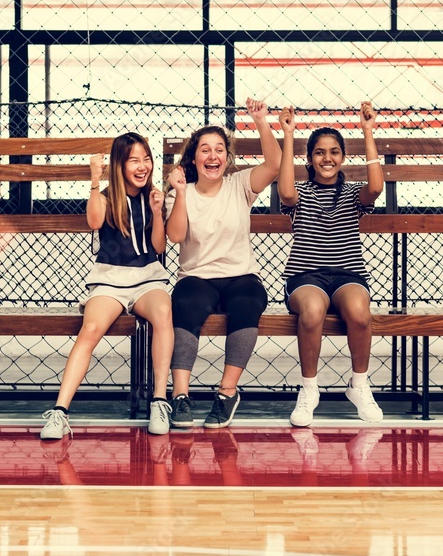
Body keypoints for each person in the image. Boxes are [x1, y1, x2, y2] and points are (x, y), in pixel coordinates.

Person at [40, 132, 173, 440]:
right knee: (90, 329)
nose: (143, 167)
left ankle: (159, 401)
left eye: (146, 159)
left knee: (164, 314)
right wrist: (94, 179)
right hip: (110, 279)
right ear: (119, 165)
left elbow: (159, 246)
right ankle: (59, 412)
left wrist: (157, 212)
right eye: (134, 161)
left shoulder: (152, 196)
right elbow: (94, 222)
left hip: (147, 277)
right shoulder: (104, 196)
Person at [164, 98, 281, 429]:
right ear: (195, 157)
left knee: (250, 301)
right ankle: (181, 396)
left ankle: (227, 392)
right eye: (205, 150)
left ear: (227, 159)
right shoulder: (180, 192)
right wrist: (181, 193)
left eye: (219, 150)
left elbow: (273, 165)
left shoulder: (239, 185)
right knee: (184, 303)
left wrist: (260, 120)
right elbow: (175, 236)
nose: (212, 156)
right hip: (197, 277)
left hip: (240, 275)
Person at [276, 103, 384, 426]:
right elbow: (283, 191)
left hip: (347, 275)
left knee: (359, 311)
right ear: (310, 159)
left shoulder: (352, 195)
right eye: (319, 153)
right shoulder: (301, 193)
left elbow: (376, 187)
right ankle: (309, 389)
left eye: (334, 152)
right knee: (311, 311)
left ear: (342, 158)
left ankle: (359, 384)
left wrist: (367, 131)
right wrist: (288, 134)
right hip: (306, 277)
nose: (327, 158)